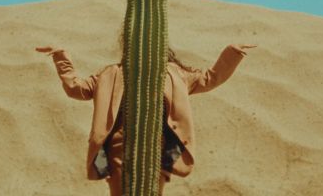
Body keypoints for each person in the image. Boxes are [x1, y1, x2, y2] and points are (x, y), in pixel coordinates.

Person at [36, 41, 255, 195]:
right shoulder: (110, 74)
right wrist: (60, 57)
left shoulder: (174, 73)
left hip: (160, 147)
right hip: (118, 147)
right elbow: (77, 88)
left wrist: (232, 53)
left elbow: (210, 78)